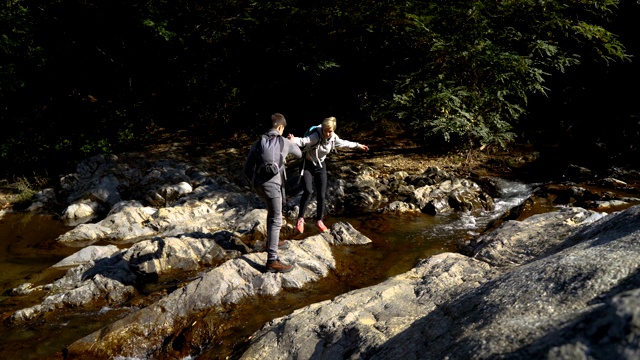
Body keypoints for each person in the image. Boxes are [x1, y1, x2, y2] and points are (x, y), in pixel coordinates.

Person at [288, 116, 369, 233]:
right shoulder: (316, 136)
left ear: (334, 130)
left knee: (321, 194)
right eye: (325, 130)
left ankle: (319, 220)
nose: (326, 133)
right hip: (308, 165)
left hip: (320, 166)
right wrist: (292, 140)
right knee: (308, 191)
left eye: (329, 131)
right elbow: (303, 141)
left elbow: (344, 143)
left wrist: (358, 145)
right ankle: (300, 219)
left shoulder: (333, 138)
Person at [244, 113, 302, 273]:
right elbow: (300, 154)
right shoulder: (284, 141)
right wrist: (291, 143)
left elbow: (246, 168)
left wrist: (255, 183)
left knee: (272, 212)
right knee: (276, 218)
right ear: (280, 127)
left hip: (259, 185)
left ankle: (272, 242)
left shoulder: (258, 143)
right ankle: (272, 261)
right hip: (274, 186)